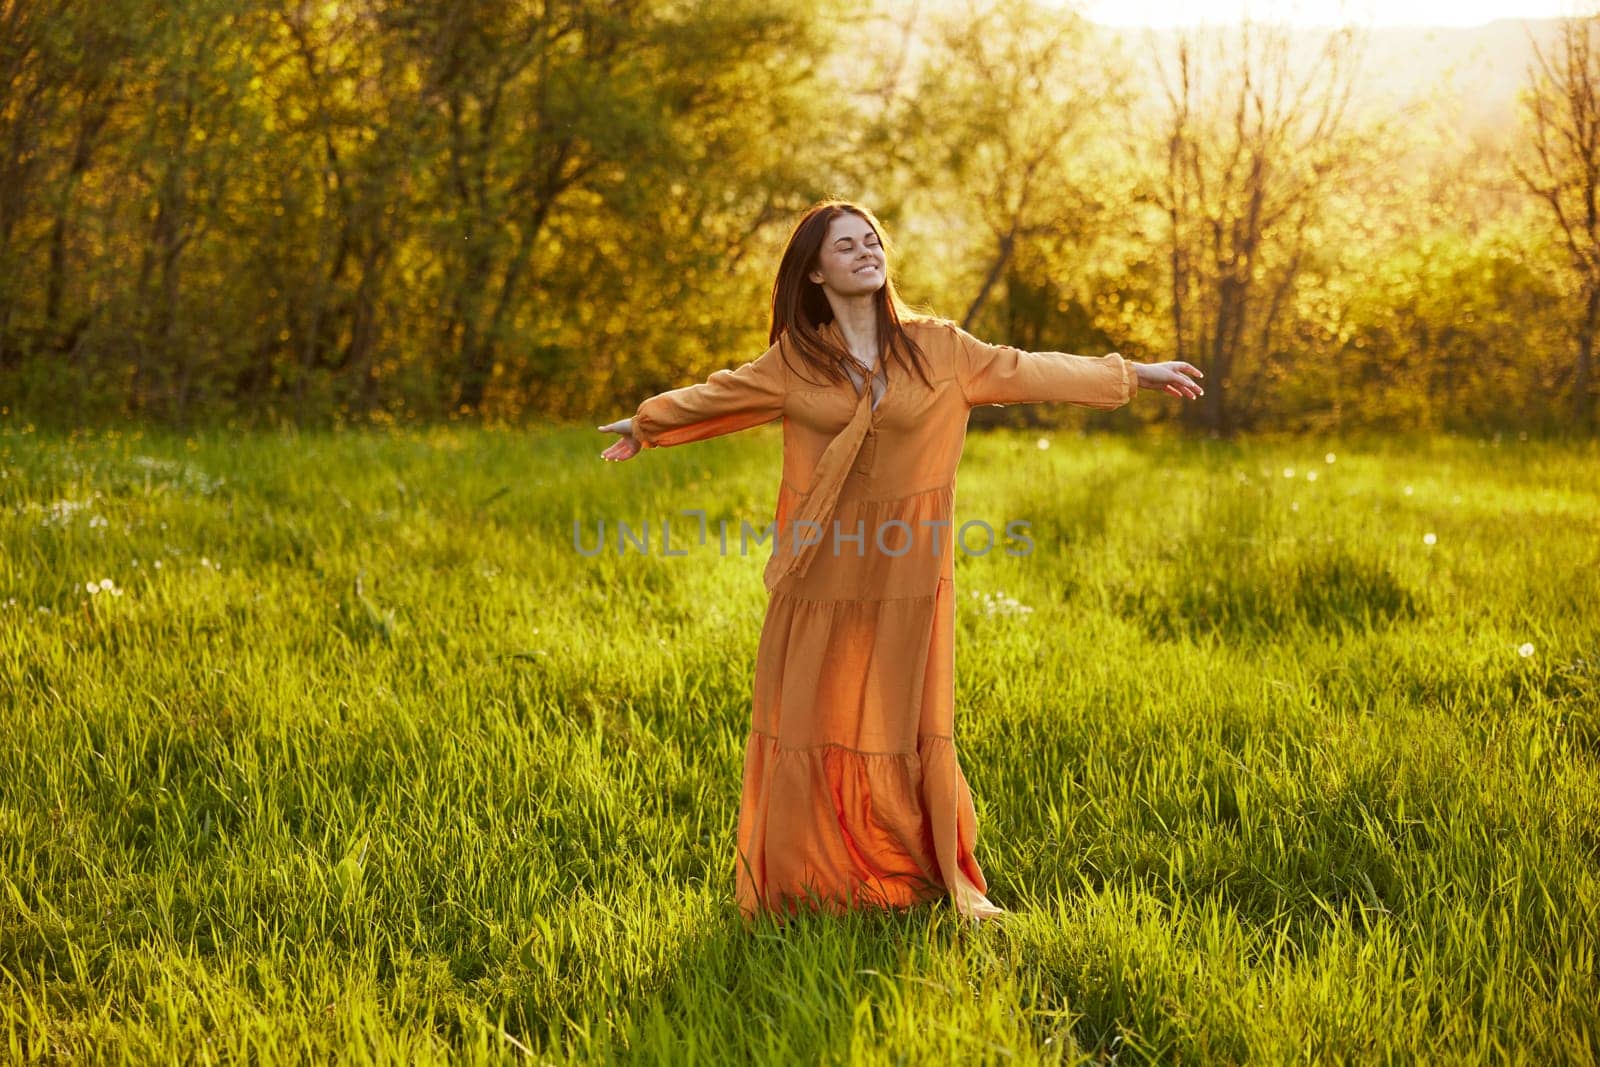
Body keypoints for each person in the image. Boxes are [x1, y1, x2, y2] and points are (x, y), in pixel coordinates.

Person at [598, 199, 1203, 927]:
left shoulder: (939, 349)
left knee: (902, 718)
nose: (864, 251)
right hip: (820, 566)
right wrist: (648, 423)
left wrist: (1134, 373)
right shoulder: (797, 358)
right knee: (811, 716)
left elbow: (1030, 369)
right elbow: (722, 392)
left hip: (908, 573)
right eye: (844, 245)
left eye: (871, 240)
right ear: (815, 272)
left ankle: (923, 872)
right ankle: (804, 880)